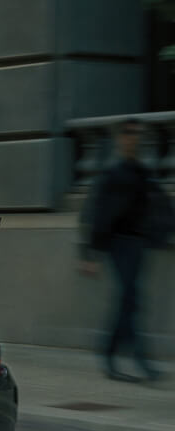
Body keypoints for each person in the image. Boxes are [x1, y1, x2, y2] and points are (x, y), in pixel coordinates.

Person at [80, 118, 170, 382]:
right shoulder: (112, 174)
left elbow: (160, 205)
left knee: (129, 300)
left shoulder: (142, 173)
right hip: (118, 244)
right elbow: (97, 215)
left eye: (138, 134)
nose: (134, 138)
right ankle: (139, 358)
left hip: (137, 243)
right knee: (131, 298)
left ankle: (109, 352)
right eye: (129, 133)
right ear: (120, 139)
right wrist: (90, 255)